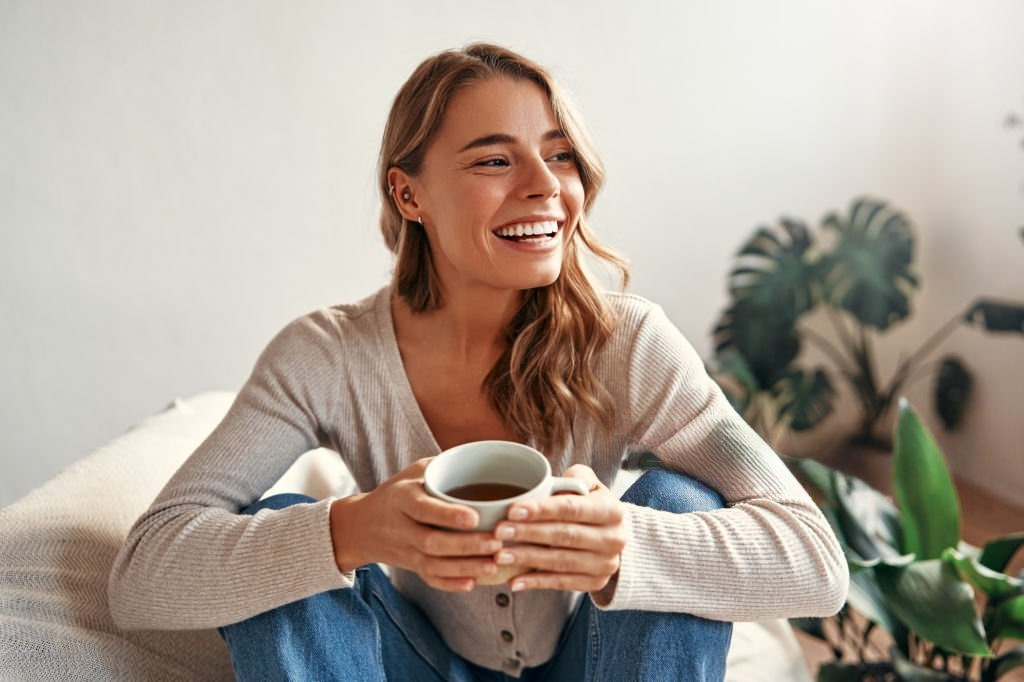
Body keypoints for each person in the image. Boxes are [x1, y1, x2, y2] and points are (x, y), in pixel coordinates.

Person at [109, 43, 848, 681]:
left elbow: (818, 564)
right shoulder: (326, 357)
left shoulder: (628, 342)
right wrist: (354, 530)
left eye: (559, 154)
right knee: (283, 529)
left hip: (594, 660)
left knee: (680, 503)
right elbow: (142, 575)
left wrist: (622, 546)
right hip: (417, 661)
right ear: (409, 194)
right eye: (495, 158)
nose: (545, 185)